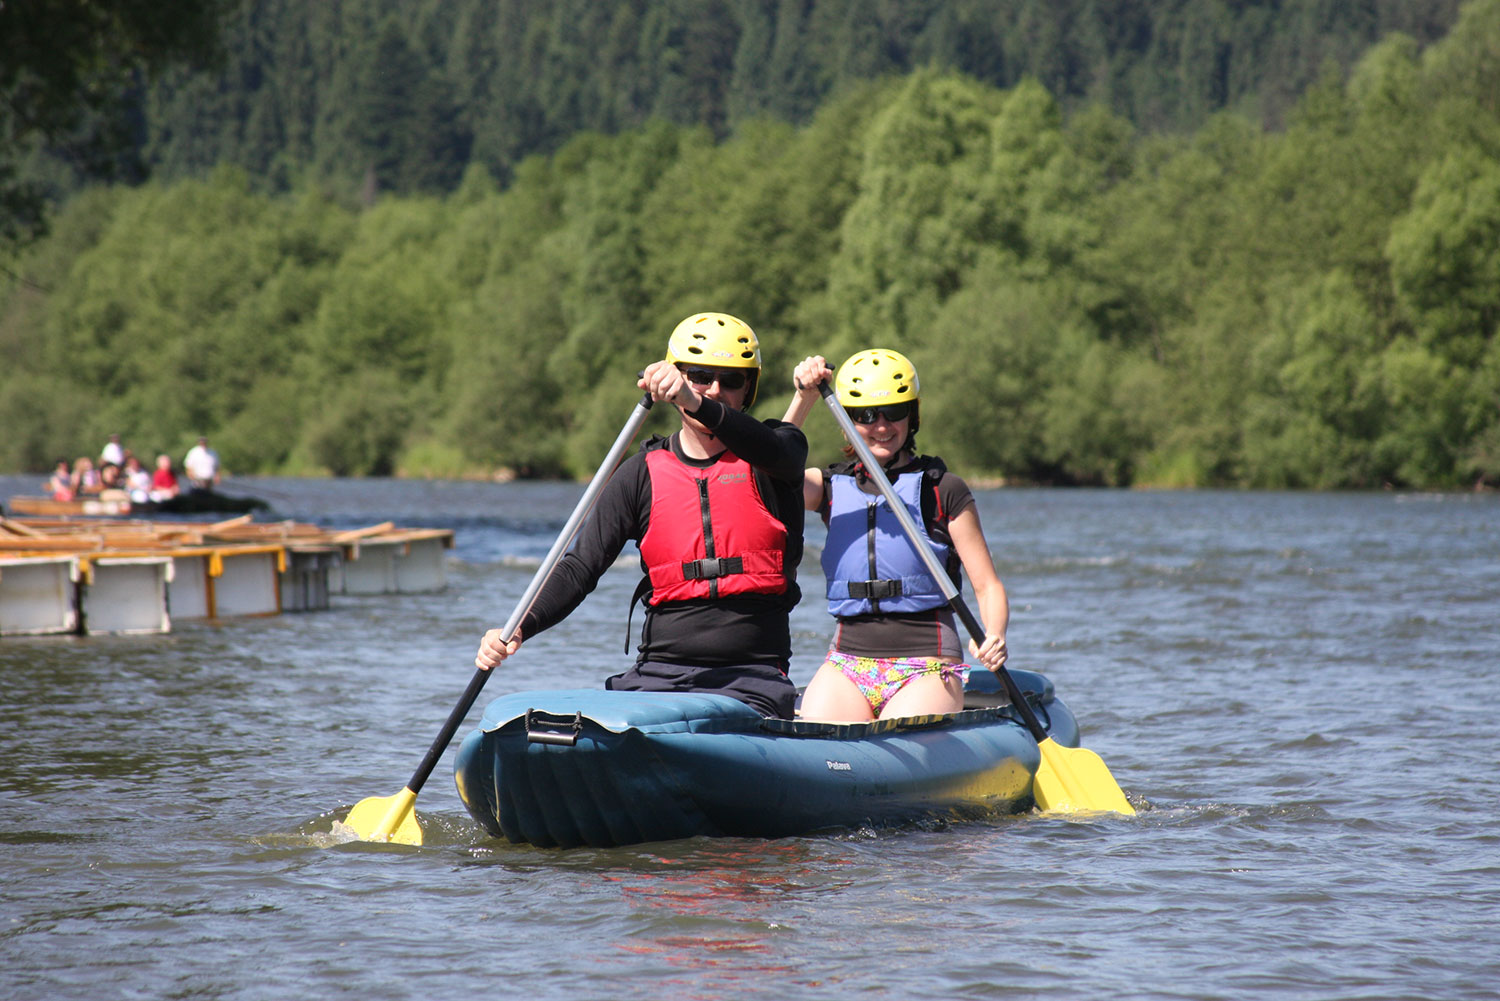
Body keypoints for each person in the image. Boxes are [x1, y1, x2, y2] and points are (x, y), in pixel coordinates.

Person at [475, 312, 809, 718]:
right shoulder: (640, 474)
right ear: (678, 380)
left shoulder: (777, 454)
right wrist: (519, 626)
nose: (716, 390)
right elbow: (580, 567)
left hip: (752, 678)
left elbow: (782, 452)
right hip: (657, 676)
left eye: (732, 380)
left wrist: (695, 400)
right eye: (700, 376)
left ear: (748, 390)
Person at [782, 349, 1009, 722]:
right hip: (848, 663)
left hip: (927, 665)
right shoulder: (829, 487)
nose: (882, 426)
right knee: (820, 733)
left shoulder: (942, 490)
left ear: (913, 416)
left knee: (893, 739)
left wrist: (994, 633)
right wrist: (804, 397)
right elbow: (770, 472)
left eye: (895, 412)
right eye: (866, 416)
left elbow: (987, 586)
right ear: (847, 422)